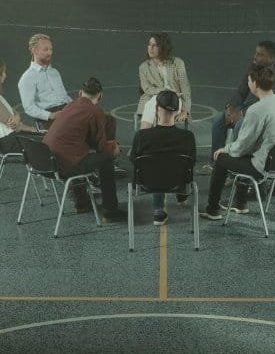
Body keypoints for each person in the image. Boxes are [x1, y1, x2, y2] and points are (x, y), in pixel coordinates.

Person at [200, 63, 275, 219]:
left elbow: (241, 147)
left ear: (255, 83)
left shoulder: (256, 110)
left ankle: (212, 210)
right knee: (247, 153)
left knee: (221, 159)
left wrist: (224, 149)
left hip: (264, 167)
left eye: (249, 80)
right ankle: (240, 203)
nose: (248, 82)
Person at [42, 77, 126, 222]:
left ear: (80, 93)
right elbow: (101, 147)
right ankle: (110, 211)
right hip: (64, 164)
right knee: (105, 160)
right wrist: (114, 148)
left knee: (76, 155)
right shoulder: (95, 111)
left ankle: (82, 202)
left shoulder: (69, 106)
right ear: (100, 96)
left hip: (45, 160)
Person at [204, 40, 275, 173]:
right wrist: (231, 108)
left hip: (261, 111)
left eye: (260, 54)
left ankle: (234, 166)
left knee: (240, 125)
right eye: (256, 53)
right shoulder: (254, 66)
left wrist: (242, 113)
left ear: (271, 58)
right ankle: (215, 163)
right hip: (245, 107)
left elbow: (271, 100)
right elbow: (241, 89)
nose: (255, 57)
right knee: (218, 119)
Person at [130, 90, 197, 225]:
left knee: (156, 166)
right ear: (178, 111)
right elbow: (192, 162)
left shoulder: (142, 136)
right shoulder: (188, 137)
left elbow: (134, 160)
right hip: (179, 182)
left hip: (147, 183)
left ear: (156, 108)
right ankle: (182, 197)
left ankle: (158, 211)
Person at [0, 59, 39, 154]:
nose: (5, 75)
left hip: (14, 136)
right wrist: (31, 129)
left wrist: (17, 117)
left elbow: (15, 113)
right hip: (11, 141)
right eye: (3, 72)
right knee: (50, 143)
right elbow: (14, 126)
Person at [17, 33, 73, 129]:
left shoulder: (55, 72)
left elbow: (64, 96)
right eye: (45, 49)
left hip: (66, 111)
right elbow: (29, 107)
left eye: (51, 49)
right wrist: (50, 115)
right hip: (49, 118)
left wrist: (75, 105)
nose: (50, 53)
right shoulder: (27, 78)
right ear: (34, 50)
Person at [137, 32, 191, 129]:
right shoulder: (143, 67)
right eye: (149, 44)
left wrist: (185, 110)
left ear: (163, 47)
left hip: (174, 100)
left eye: (155, 45)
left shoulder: (177, 63)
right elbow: (147, 89)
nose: (151, 48)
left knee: (153, 104)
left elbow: (185, 88)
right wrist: (164, 90)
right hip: (152, 99)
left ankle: (143, 134)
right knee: (154, 101)